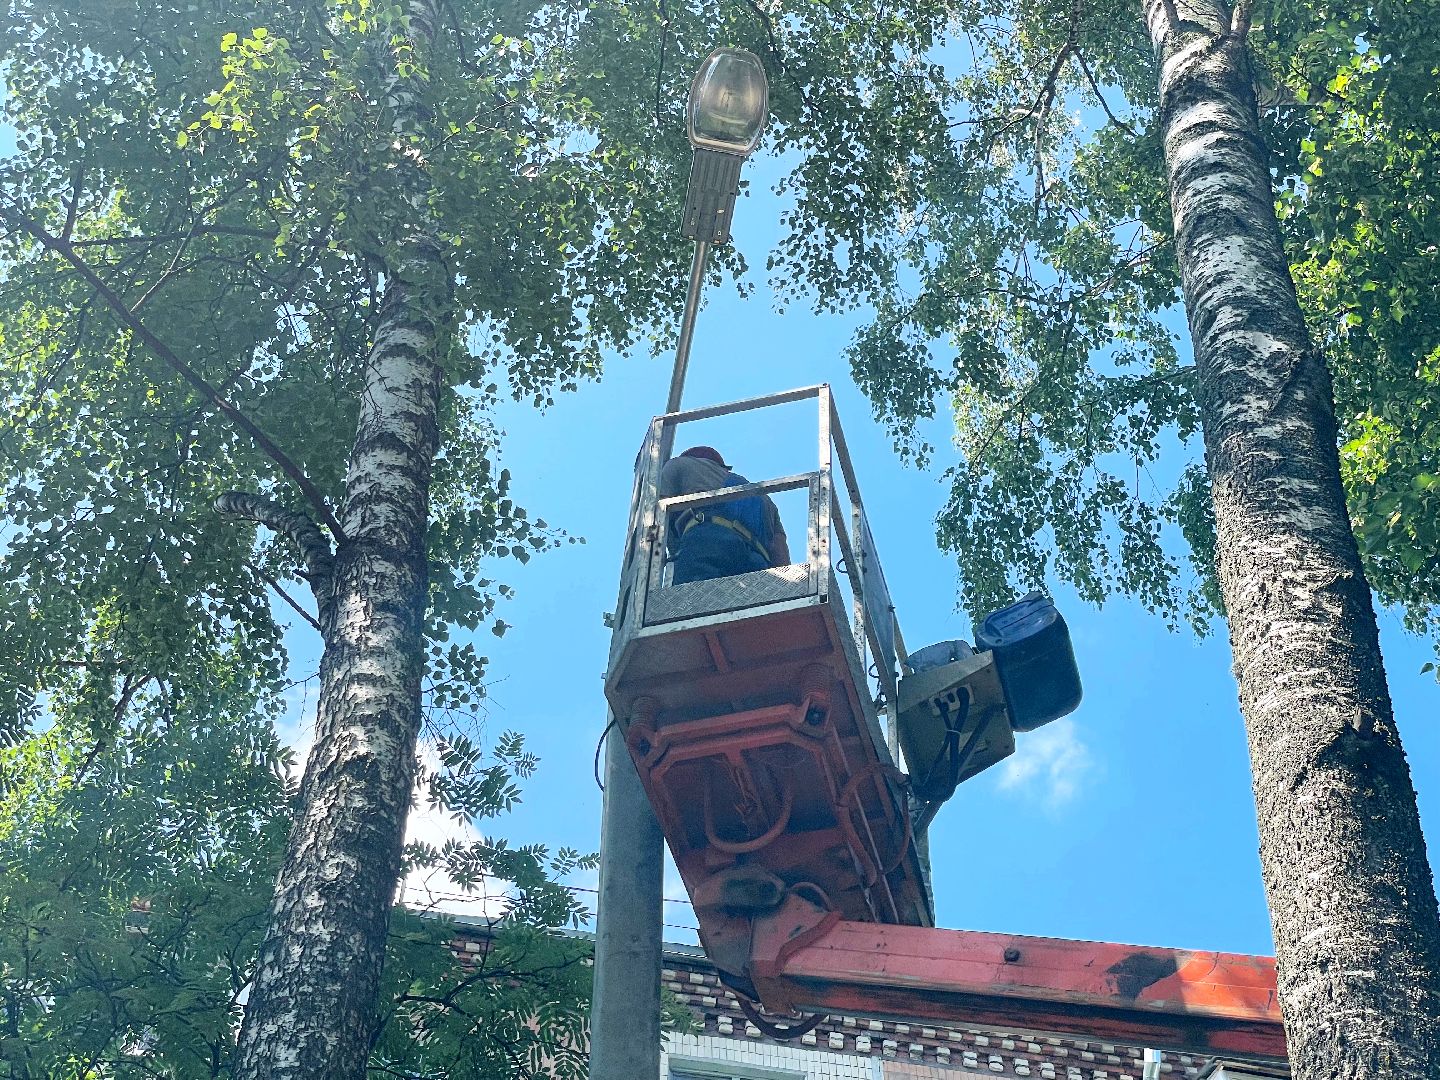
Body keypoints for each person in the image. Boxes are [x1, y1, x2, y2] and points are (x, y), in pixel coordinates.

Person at [658, 446, 790, 584]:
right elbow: (779, 550)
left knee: (693, 595)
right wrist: (784, 586)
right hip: (758, 561)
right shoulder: (763, 497)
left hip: (708, 543)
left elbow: (659, 512)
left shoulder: (678, 464)